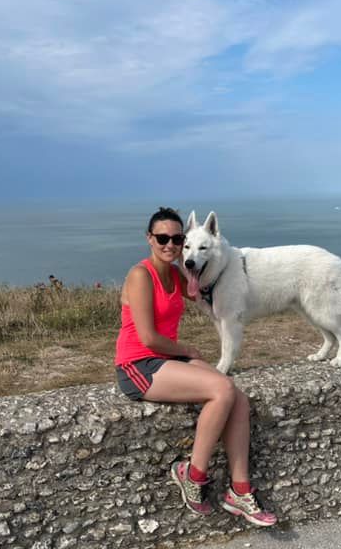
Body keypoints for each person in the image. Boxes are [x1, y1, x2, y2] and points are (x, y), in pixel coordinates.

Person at [113, 207, 277, 527]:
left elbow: (213, 289)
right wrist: (188, 351)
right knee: (222, 389)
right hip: (139, 364)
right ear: (149, 239)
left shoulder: (177, 274)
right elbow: (148, 337)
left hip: (167, 360)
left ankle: (239, 491)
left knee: (238, 398)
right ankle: (192, 473)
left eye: (178, 239)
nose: (171, 245)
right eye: (163, 238)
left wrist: (243, 271)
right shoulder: (140, 275)